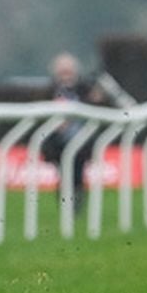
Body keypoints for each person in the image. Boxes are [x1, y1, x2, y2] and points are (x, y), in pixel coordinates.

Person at [40, 52, 105, 212]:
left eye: (68, 72)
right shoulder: (49, 90)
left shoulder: (85, 89)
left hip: (82, 140)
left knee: (77, 172)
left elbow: (99, 107)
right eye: (63, 72)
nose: (66, 76)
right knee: (63, 173)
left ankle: (76, 202)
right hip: (58, 142)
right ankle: (65, 202)